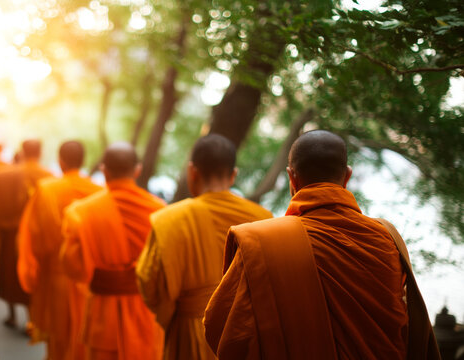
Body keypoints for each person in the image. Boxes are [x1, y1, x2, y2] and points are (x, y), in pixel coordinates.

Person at [203, 130, 439, 359]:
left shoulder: (267, 244)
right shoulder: (386, 238)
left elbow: (226, 334)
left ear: (291, 178)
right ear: (347, 176)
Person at [136, 134, 273, 360]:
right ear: (233, 175)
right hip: (246, 335)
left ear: (192, 172)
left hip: (191, 333)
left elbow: (149, 281)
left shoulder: (169, 219)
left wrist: (173, 314)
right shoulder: (262, 218)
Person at [60, 142, 165, 360]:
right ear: (137, 170)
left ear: (104, 170)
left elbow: (72, 267)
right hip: (145, 316)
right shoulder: (160, 212)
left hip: (102, 316)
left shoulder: (82, 212)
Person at [16, 140, 102, 358]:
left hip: (57, 277)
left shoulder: (47, 190)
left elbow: (36, 238)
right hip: (91, 280)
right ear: (83, 161)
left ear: (60, 162)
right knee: (85, 338)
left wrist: (34, 269)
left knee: (59, 342)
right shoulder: (98, 192)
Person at [0, 139, 53, 328]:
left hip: (9, 233)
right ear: (40, 153)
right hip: (34, 236)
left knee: (9, 275)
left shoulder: (2, 175)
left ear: (22, 153)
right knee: (33, 274)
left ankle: (12, 315)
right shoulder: (48, 176)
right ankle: (32, 320)